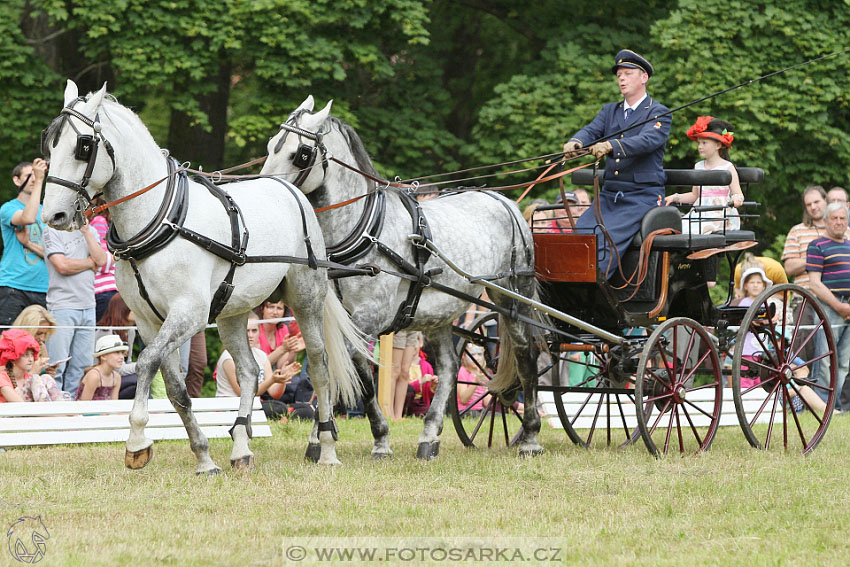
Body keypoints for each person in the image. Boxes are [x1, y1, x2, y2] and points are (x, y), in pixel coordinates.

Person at [562, 49, 671, 278]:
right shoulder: (610, 111)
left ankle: (594, 291)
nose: (621, 78)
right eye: (619, 74)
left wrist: (611, 146)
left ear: (644, 78)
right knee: (580, 236)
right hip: (610, 194)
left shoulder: (659, 113)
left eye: (627, 73)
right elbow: (592, 130)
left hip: (642, 196)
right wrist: (576, 142)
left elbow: (647, 140)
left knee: (604, 240)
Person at [43, 220, 107, 395]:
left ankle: (72, 409)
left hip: (88, 306)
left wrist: (86, 231)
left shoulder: (91, 231)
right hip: (62, 305)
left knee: (82, 365)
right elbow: (61, 265)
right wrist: (89, 263)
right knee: (56, 364)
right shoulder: (51, 230)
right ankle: (52, 410)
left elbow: (101, 260)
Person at [215, 312, 306, 419]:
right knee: (279, 408)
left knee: (305, 409)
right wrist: (272, 380)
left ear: (259, 332)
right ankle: (285, 415)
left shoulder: (261, 355)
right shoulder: (229, 358)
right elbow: (245, 393)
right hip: (231, 406)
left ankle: (285, 416)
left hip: (253, 405)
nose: (250, 335)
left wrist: (282, 379)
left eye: (254, 330)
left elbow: (274, 393)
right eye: (246, 330)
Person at [666, 116, 744, 234]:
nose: (700, 146)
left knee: (698, 230)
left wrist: (736, 199)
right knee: (678, 227)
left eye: (704, 143)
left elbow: (738, 194)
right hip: (699, 213)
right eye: (699, 143)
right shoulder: (698, 166)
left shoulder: (727, 167)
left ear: (718, 145)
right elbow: (694, 195)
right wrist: (675, 197)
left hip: (720, 214)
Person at [806, 202, 850, 411]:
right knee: (824, 359)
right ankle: (822, 406)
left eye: (843, 218)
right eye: (835, 218)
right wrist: (839, 306)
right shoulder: (817, 245)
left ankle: (837, 407)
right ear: (826, 221)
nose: (839, 222)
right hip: (829, 308)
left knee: (844, 362)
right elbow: (815, 283)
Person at [0, 159, 50, 326]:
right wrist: (40, 181)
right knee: (9, 342)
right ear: (17, 180)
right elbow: (27, 218)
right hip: (14, 286)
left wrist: (28, 244)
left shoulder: (47, 212)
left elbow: (53, 254)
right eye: (30, 175)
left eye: (37, 175)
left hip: (44, 288)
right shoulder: (8, 208)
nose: (35, 179)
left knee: (38, 346)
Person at [0, 328, 64, 402]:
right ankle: (54, 412)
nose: (31, 359)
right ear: (13, 358)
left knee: (46, 377)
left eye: (32, 354)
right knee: (35, 378)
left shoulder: (27, 376)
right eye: (25, 355)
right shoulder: (2, 377)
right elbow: (19, 404)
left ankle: (62, 409)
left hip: (33, 411)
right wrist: (33, 374)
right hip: (12, 411)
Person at [89, 205, 119, 322]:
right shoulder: (100, 221)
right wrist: (119, 254)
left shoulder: (105, 223)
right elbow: (103, 262)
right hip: (104, 290)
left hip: (108, 290)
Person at [75, 335, 126, 401]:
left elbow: (114, 404)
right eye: (117, 352)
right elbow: (84, 406)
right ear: (103, 356)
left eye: (122, 353)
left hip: (107, 410)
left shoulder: (117, 377)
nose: (122, 357)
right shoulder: (94, 376)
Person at [11, 305, 57, 377]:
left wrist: (48, 374)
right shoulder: (6, 347)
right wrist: (33, 373)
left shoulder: (41, 346)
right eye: (38, 333)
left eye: (45, 333)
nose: (42, 338)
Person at [391, 330, 421, 420]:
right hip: (398, 325)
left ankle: (398, 415)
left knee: (405, 372)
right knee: (395, 370)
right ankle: (390, 414)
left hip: (413, 325)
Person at [457, 345, 491, 415]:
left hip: (479, 410)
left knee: (496, 416)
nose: (476, 358)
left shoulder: (483, 373)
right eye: (472, 354)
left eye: (479, 354)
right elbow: (463, 399)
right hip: (465, 411)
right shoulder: (463, 371)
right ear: (464, 356)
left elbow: (486, 403)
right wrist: (475, 382)